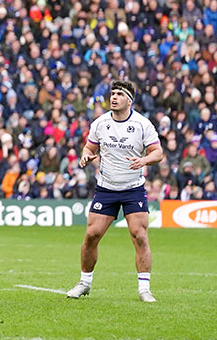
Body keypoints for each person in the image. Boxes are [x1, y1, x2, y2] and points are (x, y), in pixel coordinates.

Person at [66, 80, 164, 302]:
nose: (114, 97)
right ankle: (84, 283)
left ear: (129, 100)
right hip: (107, 188)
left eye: (119, 94)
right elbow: (90, 147)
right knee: (92, 235)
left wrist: (144, 161)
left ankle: (144, 289)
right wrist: (85, 155)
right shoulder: (100, 123)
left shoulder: (142, 124)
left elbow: (158, 153)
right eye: (112, 93)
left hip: (133, 189)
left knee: (139, 235)